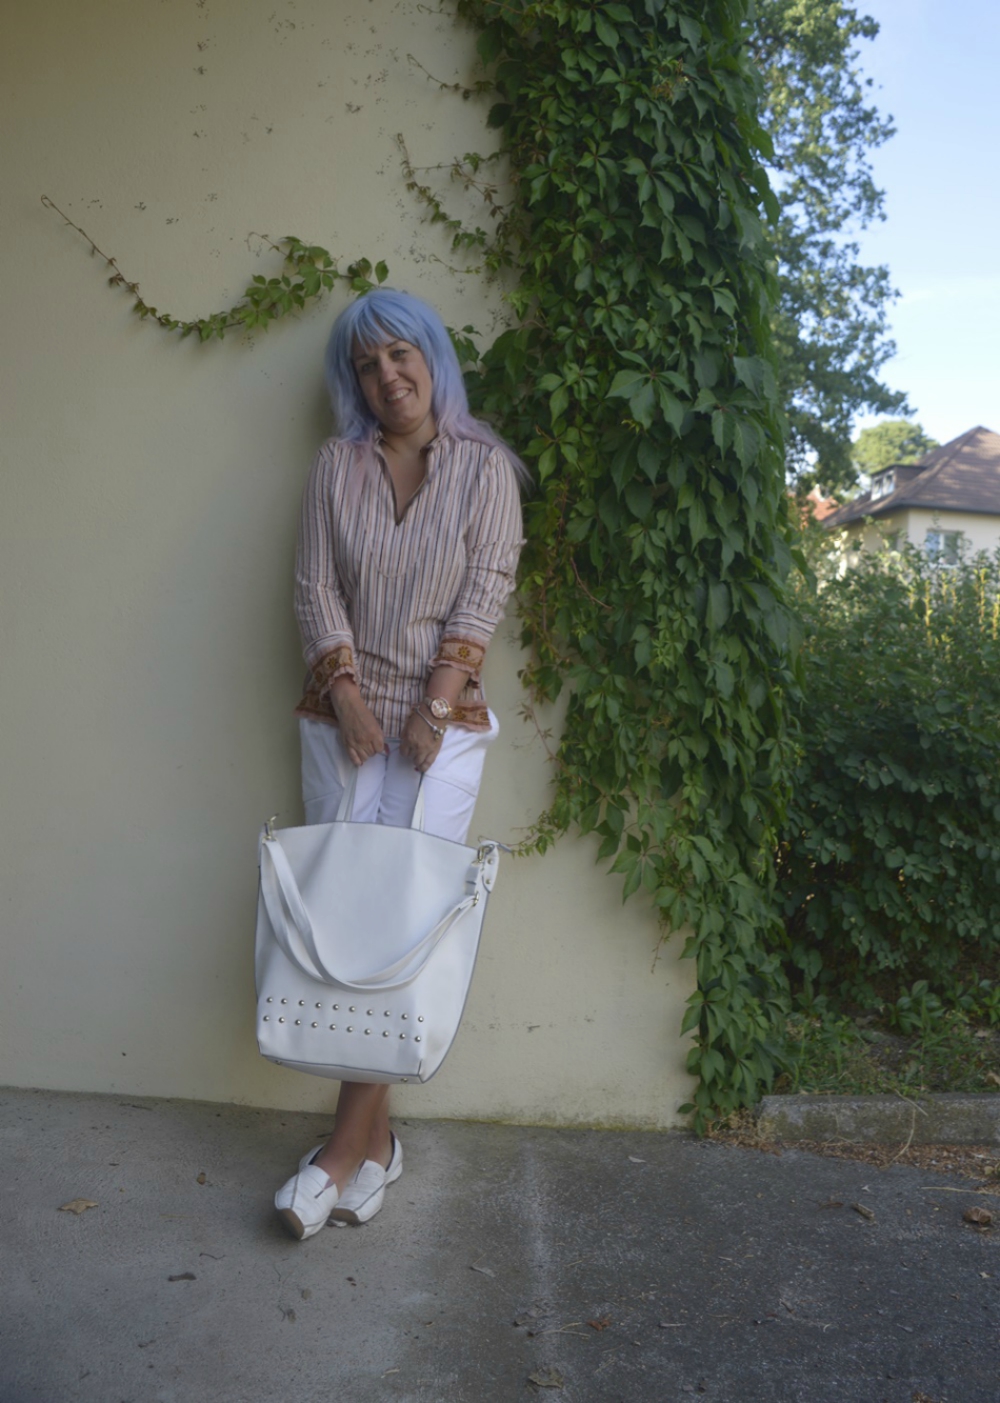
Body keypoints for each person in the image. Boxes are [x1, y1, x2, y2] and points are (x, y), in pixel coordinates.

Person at [273, 288, 525, 1241]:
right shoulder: (335, 468)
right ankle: (373, 1148)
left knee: (407, 925)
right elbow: (312, 586)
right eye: (368, 365)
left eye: (401, 356)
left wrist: (432, 706)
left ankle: (340, 1152)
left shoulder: (484, 470)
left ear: (433, 359)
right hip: (343, 723)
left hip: (441, 728)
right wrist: (347, 698)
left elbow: (485, 588)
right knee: (345, 916)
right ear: (357, 383)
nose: (388, 377)